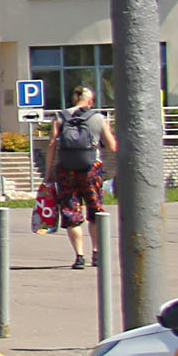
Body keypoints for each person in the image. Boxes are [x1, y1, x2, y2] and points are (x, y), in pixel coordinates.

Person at [48, 87, 116, 270]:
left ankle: (79, 256)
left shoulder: (60, 117)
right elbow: (111, 146)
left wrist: (49, 173)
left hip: (66, 170)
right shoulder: (98, 118)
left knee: (71, 213)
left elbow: (52, 145)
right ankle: (96, 252)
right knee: (95, 211)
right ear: (90, 101)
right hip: (91, 169)